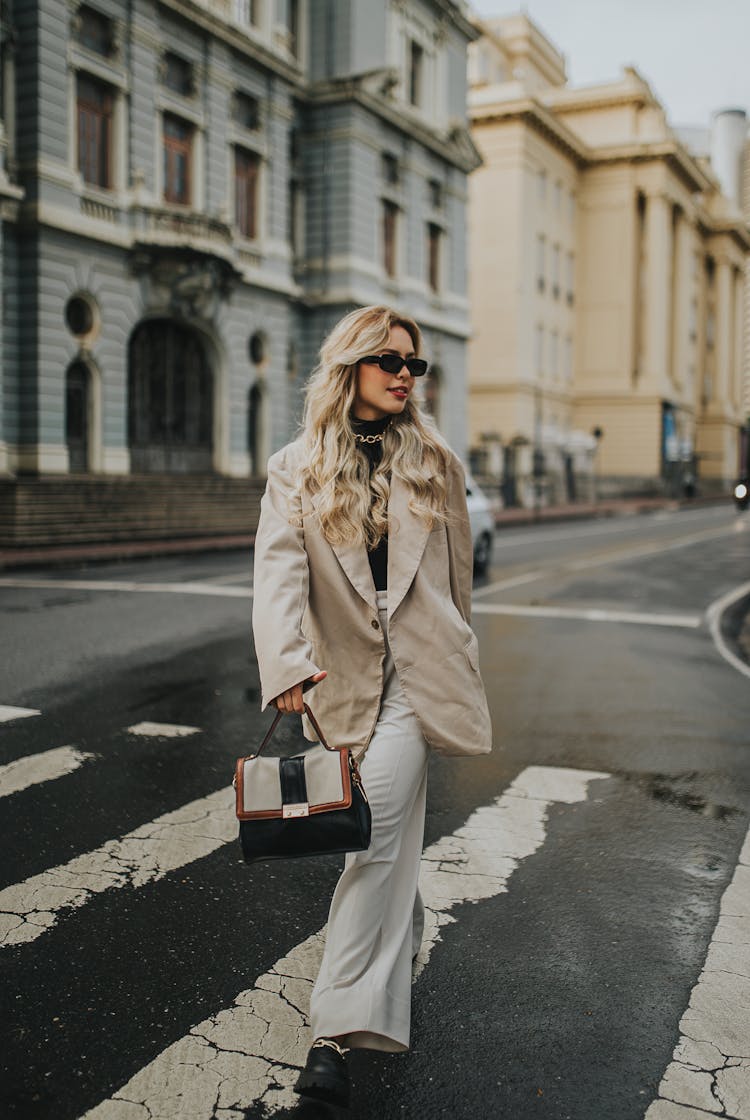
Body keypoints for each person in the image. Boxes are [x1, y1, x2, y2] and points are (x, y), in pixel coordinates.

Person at [251, 304, 492, 1109]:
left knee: (375, 832)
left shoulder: (435, 463)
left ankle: (332, 1031)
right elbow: (279, 573)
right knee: (386, 837)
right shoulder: (298, 467)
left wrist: (460, 660)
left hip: (417, 683)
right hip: (342, 684)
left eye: (413, 365)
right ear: (349, 364)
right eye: (389, 360)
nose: (403, 375)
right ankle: (406, 928)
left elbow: (457, 583)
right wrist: (285, 662)